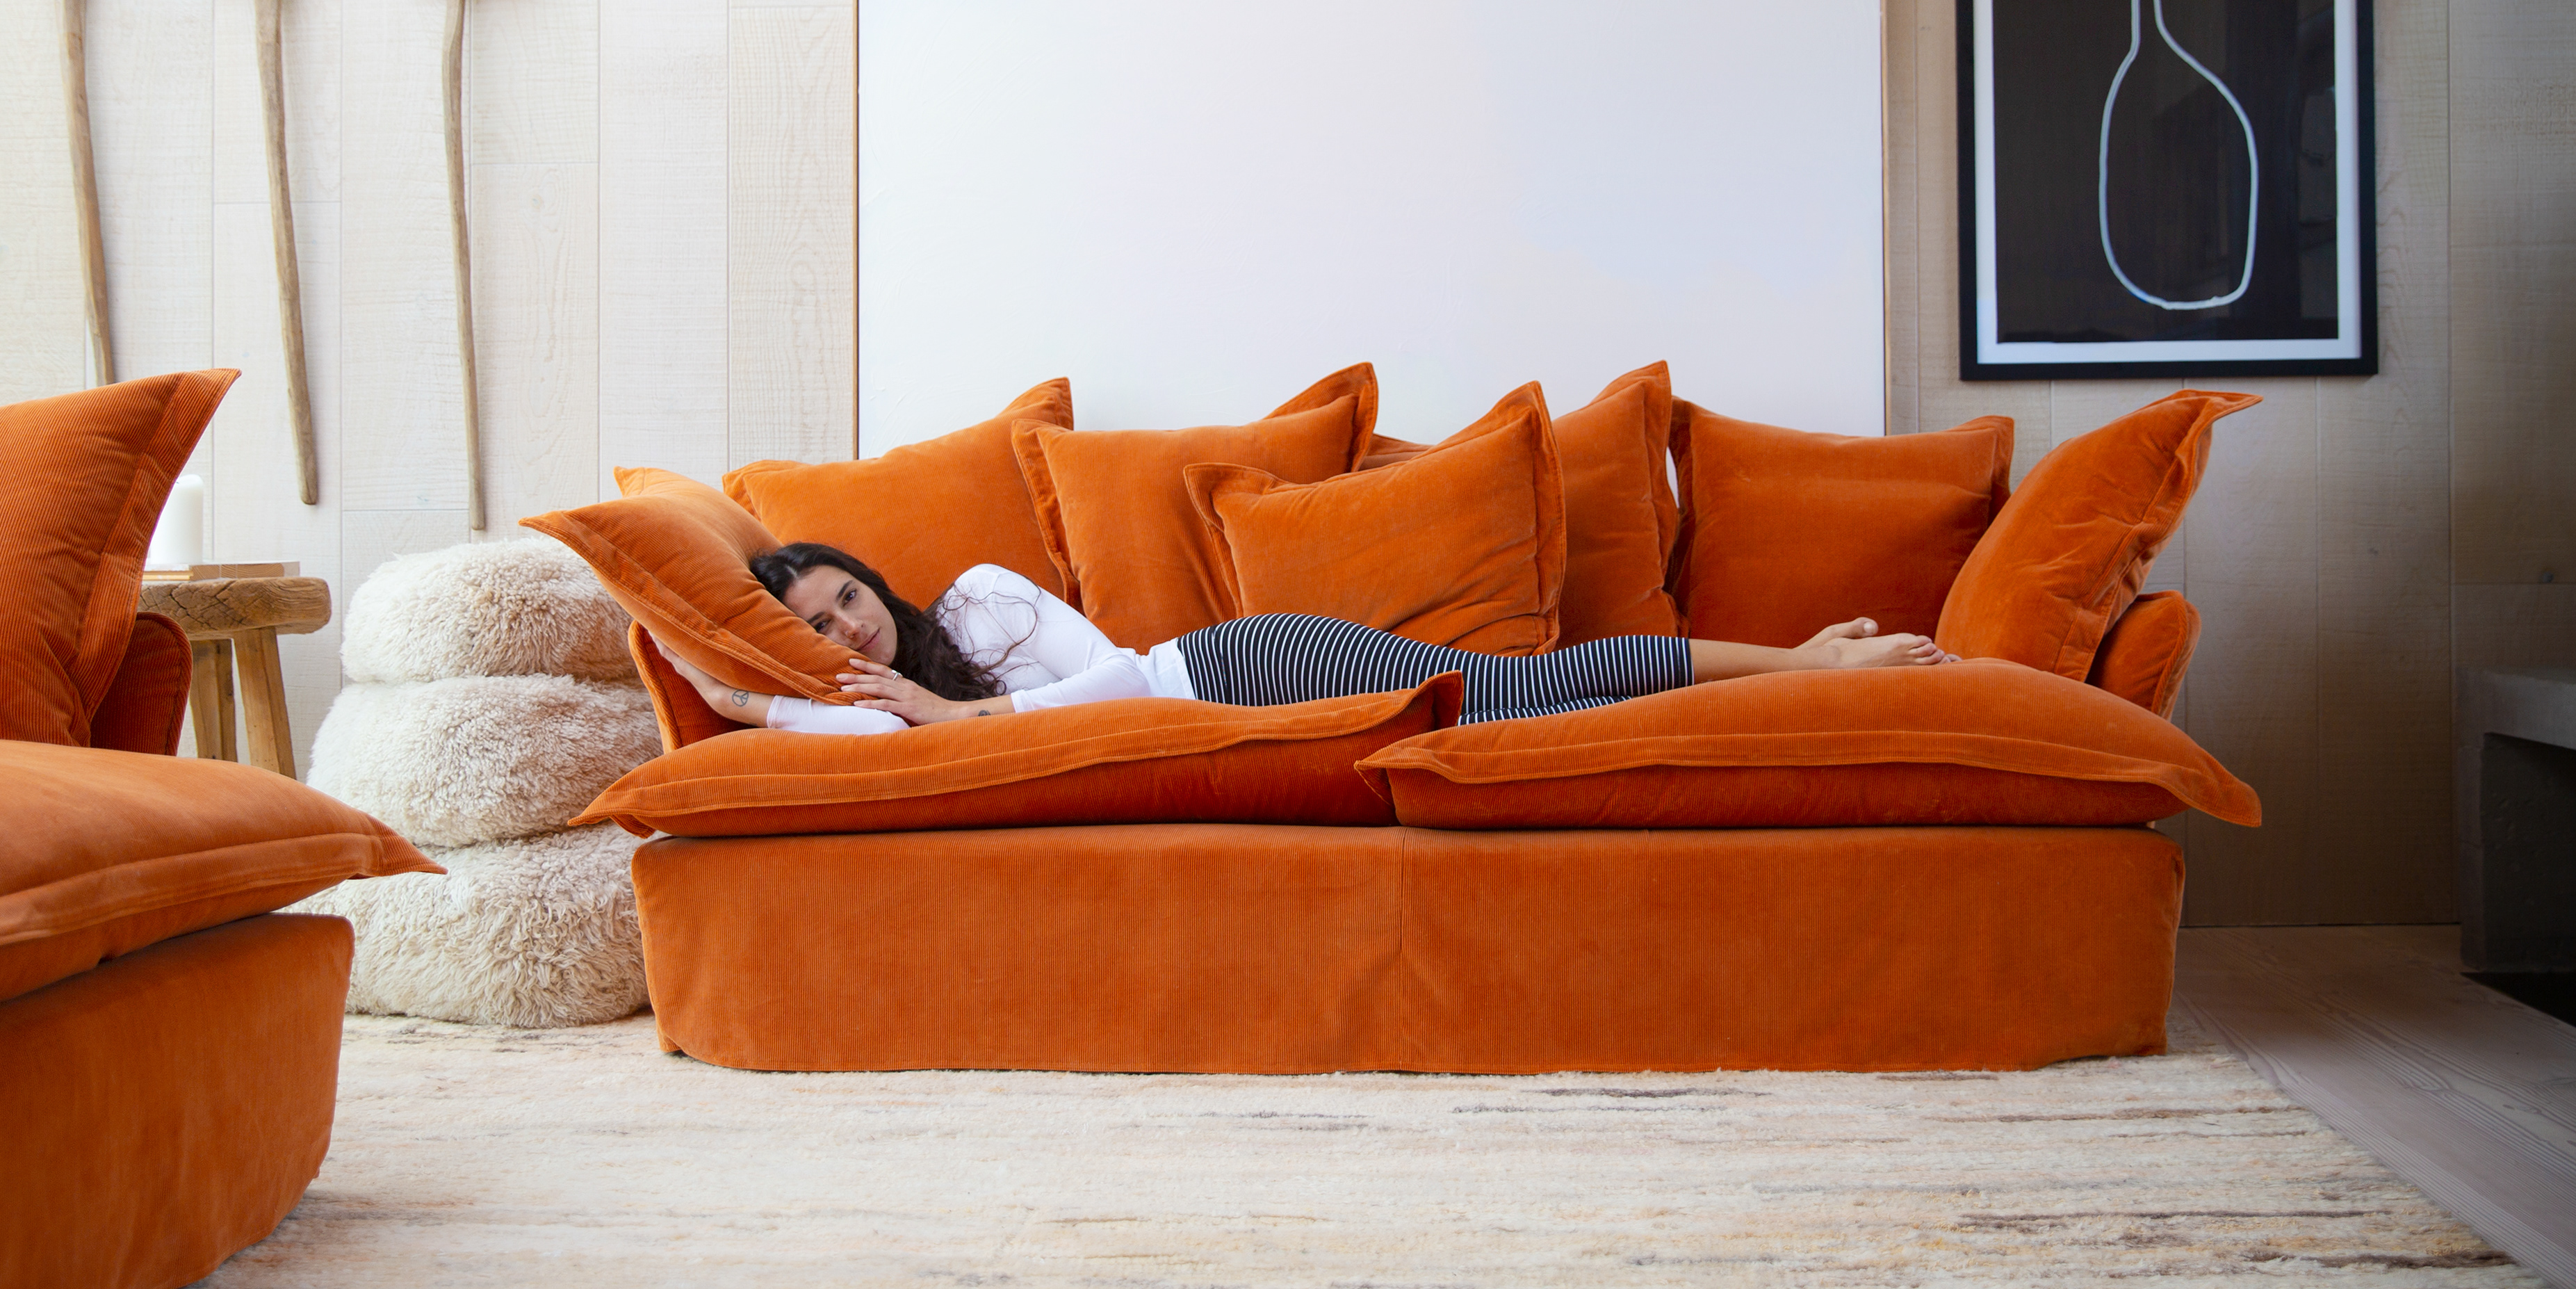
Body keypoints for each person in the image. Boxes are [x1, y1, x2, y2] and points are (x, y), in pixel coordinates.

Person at [653, 542, 1955, 735]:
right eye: (819, 626)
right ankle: (1798, 674)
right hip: (1219, 703)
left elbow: (1117, 684)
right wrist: (740, 693)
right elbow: (836, 731)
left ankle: (1808, 666)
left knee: (1523, 697)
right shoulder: (888, 705)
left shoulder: (983, 600)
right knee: (1528, 705)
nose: (847, 622)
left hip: (1236, 666)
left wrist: (964, 720)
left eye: (845, 595)